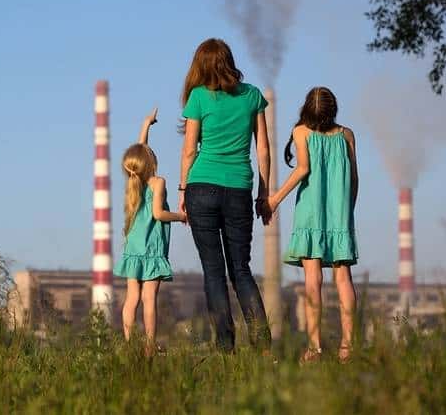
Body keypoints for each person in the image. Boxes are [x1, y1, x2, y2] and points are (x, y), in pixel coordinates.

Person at [179, 38, 272, 353]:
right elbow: (263, 149)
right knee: (241, 269)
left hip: (201, 187)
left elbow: (189, 150)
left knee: (213, 271)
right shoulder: (252, 96)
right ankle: (263, 347)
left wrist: (183, 190)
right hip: (239, 189)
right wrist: (264, 193)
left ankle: (225, 348)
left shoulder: (198, 96)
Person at [267, 86, 358, 363]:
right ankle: (348, 346)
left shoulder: (301, 132)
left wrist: (274, 199)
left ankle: (315, 347)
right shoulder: (347, 135)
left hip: (310, 213)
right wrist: (348, 211)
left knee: (312, 280)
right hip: (340, 214)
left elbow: (303, 168)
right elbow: (354, 179)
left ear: (307, 109)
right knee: (343, 278)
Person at [113, 108, 186, 355]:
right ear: (150, 162)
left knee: (131, 298)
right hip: (152, 248)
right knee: (149, 298)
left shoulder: (133, 182)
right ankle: (149, 346)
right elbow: (158, 214)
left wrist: (146, 124)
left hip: (134, 248)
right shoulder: (158, 182)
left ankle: (129, 344)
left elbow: (140, 150)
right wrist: (181, 217)